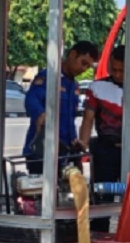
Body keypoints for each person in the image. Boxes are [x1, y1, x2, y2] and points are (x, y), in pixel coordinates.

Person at [78, 45, 130, 185]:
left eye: (122, 71)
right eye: (114, 69)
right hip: (105, 149)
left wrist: (129, 113)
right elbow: (87, 120)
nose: (118, 74)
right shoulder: (96, 87)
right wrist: (83, 144)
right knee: (103, 198)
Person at [22, 40, 100, 174]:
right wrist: (40, 114)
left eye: (87, 67)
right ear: (72, 54)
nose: (83, 69)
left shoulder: (74, 85)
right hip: (42, 150)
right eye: (83, 63)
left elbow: (70, 121)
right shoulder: (49, 77)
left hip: (66, 152)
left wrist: (77, 143)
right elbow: (31, 99)